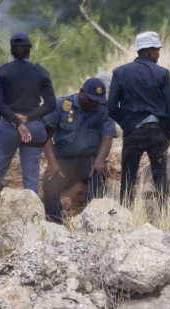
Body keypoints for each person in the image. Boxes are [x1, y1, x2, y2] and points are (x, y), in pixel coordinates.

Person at [0, 32, 56, 204]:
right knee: (31, 179)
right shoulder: (40, 72)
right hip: (34, 129)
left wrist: (17, 121)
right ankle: (33, 221)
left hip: (9, 128)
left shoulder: (2, 72)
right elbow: (51, 104)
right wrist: (27, 118)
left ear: (12, 50)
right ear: (29, 49)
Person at [108, 31, 170, 208]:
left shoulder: (119, 72)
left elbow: (110, 108)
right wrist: (167, 132)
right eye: (158, 50)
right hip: (157, 132)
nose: (159, 54)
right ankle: (164, 218)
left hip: (132, 131)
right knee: (160, 178)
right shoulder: (162, 73)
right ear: (150, 51)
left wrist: (126, 124)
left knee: (128, 179)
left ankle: (124, 217)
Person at [40, 78, 117, 223]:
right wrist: (52, 162)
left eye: (98, 101)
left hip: (90, 160)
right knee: (50, 184)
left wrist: (100, 160)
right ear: (82, 92)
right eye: (91, 99)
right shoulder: (62, 104)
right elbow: (46, 135)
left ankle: (91, 222)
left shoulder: (103, 109)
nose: (94, 103)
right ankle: (56, 223)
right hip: (64, 160)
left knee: (98, 180)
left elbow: (108, 136)